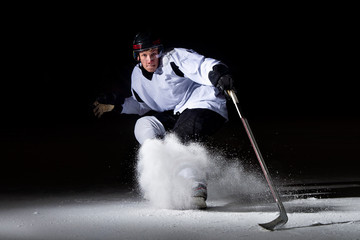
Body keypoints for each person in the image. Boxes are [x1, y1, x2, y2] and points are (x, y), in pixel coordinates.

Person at [93, 32, 234, 208]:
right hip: (176, 110)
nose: (150, 59)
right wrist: (118, 106)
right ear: (137, 57)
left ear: (159, 52)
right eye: (144, 55)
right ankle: (163, 175)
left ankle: (196, 184)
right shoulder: (137, 76)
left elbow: (202, 65)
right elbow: (142, 104)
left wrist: (218, 74)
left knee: (182, 135)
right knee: (143, 125)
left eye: (153, 53)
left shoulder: (173, 58)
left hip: (203, 102)